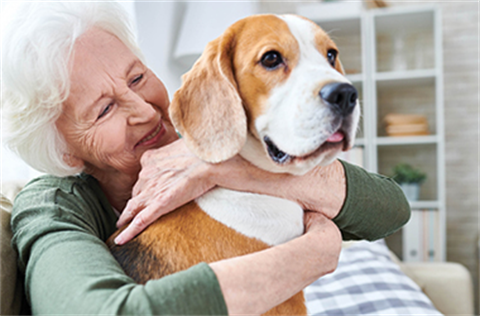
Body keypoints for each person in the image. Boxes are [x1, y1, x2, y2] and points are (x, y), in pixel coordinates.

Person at [2, 2, 410, 315]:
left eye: (137, 78)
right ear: (65, 150)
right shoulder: (51, 205)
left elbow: (390, 210)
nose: (143, 110)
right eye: (105, 109)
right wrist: (312, 255)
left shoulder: (215, 134)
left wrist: (221, 165)